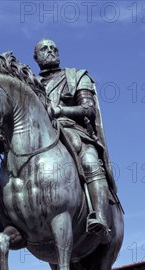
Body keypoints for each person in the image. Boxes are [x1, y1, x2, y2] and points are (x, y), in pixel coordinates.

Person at [33, 38, 120, 239]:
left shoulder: (77, 76)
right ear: (35, 57)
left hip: (73, 131)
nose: (50, 52)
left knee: (90, 162)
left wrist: (60, 110)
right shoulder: (31, 83)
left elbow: (88, 109)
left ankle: (100, 217)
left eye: (53, 48)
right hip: (40, 137)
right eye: (44, 49)